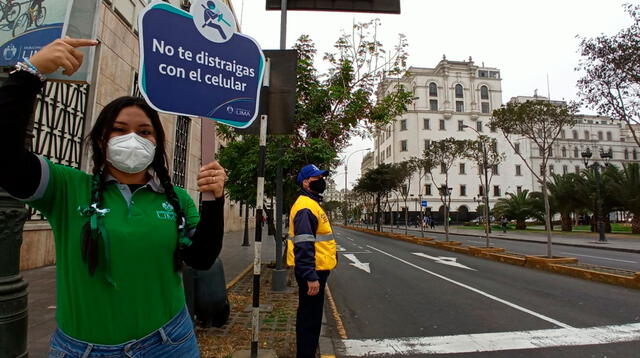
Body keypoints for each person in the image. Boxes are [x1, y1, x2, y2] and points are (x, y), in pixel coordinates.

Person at [0, 38, 228, 357]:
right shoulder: (66, 188)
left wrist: (214, 201)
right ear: (101, 139)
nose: (133, 138)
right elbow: (7, 160)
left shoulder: (175, 199)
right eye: (120, 129)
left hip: (169, 344)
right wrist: (30, 73)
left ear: (157, 143)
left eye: (145, 131)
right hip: (82, 350)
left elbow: (201, 258)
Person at [286, 164, 337, 358]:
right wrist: (310, 276)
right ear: (306, 182)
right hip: (312, 272)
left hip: (316, 270)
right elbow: (304, 244)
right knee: (309, 320)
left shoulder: (311, 204)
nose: (322, 181)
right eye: (318, 178)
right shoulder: (306, 208)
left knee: (311, 318)